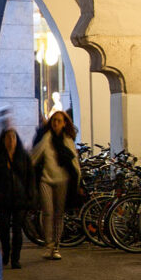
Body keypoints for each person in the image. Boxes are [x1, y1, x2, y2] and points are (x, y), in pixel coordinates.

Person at [31, 110, 81, 261]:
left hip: (63, 181)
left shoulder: (67, 141)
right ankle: (48, 246)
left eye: (59, 121)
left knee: (59, 214)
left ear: (65, 123)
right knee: (48, 213)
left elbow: (74, 163)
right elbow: (35, 156)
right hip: (46, 180)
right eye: (54, 120)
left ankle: (57, 247)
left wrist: (78, 181)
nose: (56, 123)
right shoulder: (46, 138)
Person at [0, 123, 37, 270]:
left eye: (13, 138)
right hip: (3, 199)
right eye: (8, 138)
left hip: (20, 199)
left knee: (17, 230)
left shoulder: (23, 157)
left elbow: (30, 177)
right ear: (3, 140)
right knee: (4, 230)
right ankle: (5, 253)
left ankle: (15, 258)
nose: (11, 141)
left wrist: (30, 195)